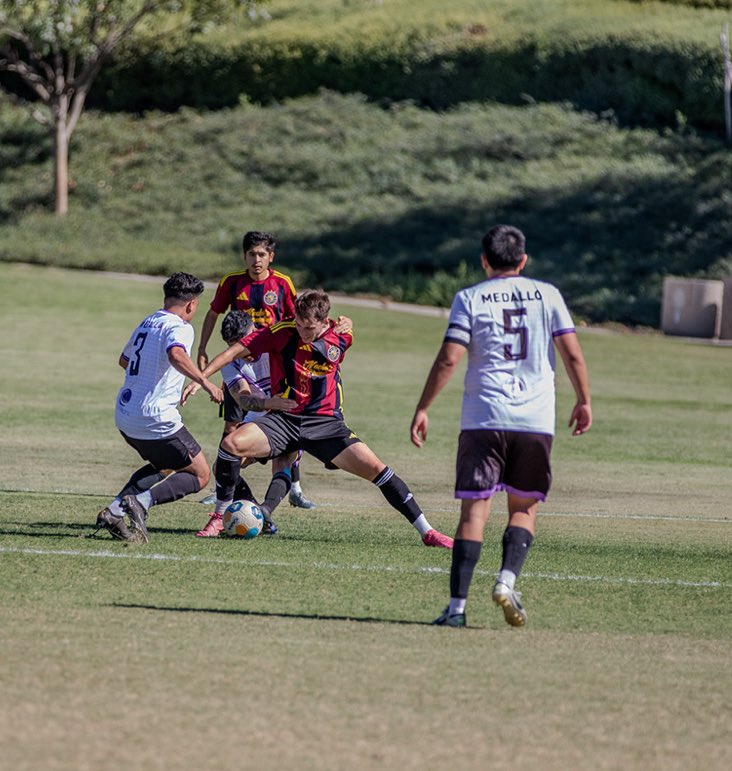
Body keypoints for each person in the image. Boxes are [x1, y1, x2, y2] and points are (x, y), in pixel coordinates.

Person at [410, 224, 592, 627]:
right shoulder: (549, 295)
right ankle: (507, 580)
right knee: (524, 506)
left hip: (484, 418)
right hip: (535, 420)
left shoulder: (469, 298)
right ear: (523, 260)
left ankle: (456, 610)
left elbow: (448, 359)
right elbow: (573, 355)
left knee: (474, 512)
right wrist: (584, 399)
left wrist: (424, 407)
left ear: (484, 260)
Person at [192, 289, 454, 548]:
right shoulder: (282, 332)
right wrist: (201, 379)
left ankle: (428, 532)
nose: (303, 332)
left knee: (378, 470)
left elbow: (348, 328)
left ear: (325, 322)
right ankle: (219, 516)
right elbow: (233, 351)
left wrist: (347, 321)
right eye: (299, 324)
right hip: (284, 420)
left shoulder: (341, 336)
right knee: (230, 445)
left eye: (309, 328)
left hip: (326, 424)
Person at [93, 272, 223, 544]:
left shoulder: (147, 322)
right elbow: (176, 354)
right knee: (200, 474)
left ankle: (115, 511)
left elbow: (124, 360)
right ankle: (140, 502)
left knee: (164, 465)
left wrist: (146, 381)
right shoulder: (181, 326)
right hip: (155, 418)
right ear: (191, 304)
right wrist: (206, 383)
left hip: (126, 414)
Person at [195, 230, 316, 518]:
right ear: (244, 256)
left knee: (287, 427)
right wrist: (201, 347)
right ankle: (222, 488)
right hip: (239, 367)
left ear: (270, 257)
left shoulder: (282, 283)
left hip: (273, 364)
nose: (256, 259)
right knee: (232, 428)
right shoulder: (233, 282)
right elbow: (213, 313)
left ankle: (295, 488)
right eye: (251, 254)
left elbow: (295, 319)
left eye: (262, 254)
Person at [182, 310, 303, 536]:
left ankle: (266, 511)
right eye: (233, 345)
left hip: (289, 416)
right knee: (223, 467)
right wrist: (269, 403)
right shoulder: (232, 363)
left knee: (284, 459)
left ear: (253, 331)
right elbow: (244, 398)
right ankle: (257, 515)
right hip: (259, 418)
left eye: (242, 342)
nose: (241, 351)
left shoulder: (273, 342)